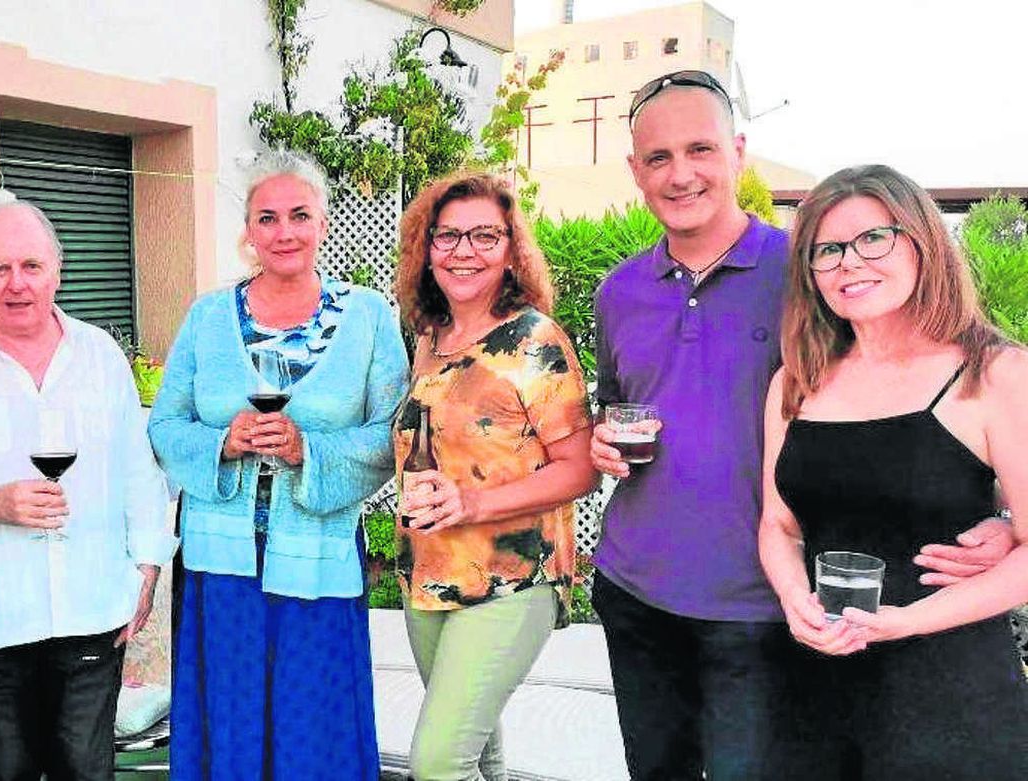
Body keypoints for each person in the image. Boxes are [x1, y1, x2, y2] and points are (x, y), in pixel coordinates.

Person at [588, 70, 1011, 780]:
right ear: (635, 169)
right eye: (658, 157)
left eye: (700, 148)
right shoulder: (619, 290)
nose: (680, 172)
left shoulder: (813, 270)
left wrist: (994, 513)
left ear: (738, 151)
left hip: (766, 608)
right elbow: (616, 401)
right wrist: (603, 436)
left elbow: (912, 400)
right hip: (635, 589)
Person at [757, 164, 1028, 778]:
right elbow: (779, 526)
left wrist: (904, 622)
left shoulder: (997, 374)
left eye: (873, 238)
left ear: (922, 242)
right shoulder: (794, 382)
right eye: (827, 250)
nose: (849, 262)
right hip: (811, 690)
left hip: (947, 696)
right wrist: (795, 597)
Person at [148, 150, 408, 780]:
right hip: (221, 568)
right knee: (230, 721)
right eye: (267, 218)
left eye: (299, 215)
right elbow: (163, 426)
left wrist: (308, 452)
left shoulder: (369, 318)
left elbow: (395, 437)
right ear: (248, 229)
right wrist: (222, 444)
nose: (283, 232)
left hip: (317, 556)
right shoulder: (208, 317)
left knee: (312, 724)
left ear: (323, 222)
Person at [0, 198, 174, 781]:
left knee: (87, 770)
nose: (16, 284)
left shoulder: (101, 357)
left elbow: (138, 470)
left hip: (93, 604)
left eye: (31, 266)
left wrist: (148, 571)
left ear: (57, 269)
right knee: (8, 773)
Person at [391, 171, 596, 780]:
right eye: (448, 236)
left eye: (485, 235)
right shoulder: (431, 337)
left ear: (511, 251)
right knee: (479, 755)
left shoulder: (535, 341)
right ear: (427, 251)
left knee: (436, 763)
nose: (464, 251)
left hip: (512, 579)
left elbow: (581, 467)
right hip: (429, 572)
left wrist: (474, 503)